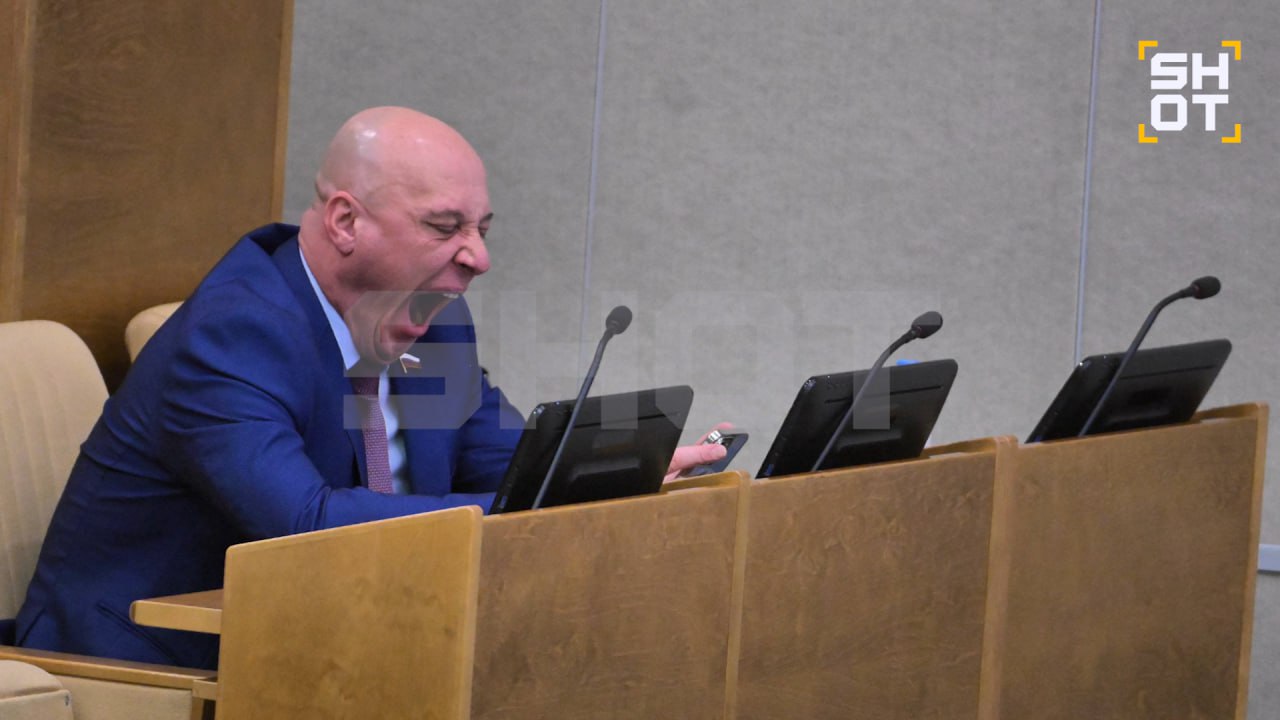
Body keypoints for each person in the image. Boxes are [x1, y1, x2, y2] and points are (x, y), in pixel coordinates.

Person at [15, 107, 726, 670]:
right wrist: (535, 505)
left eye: (481, 228)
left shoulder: (431, 322)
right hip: (145, 661)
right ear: (346, 221)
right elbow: (305, 527)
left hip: (336, 640)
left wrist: (620, 471)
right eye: (445, 227)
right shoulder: (235, 334)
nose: (479, 258)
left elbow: (502, 463)